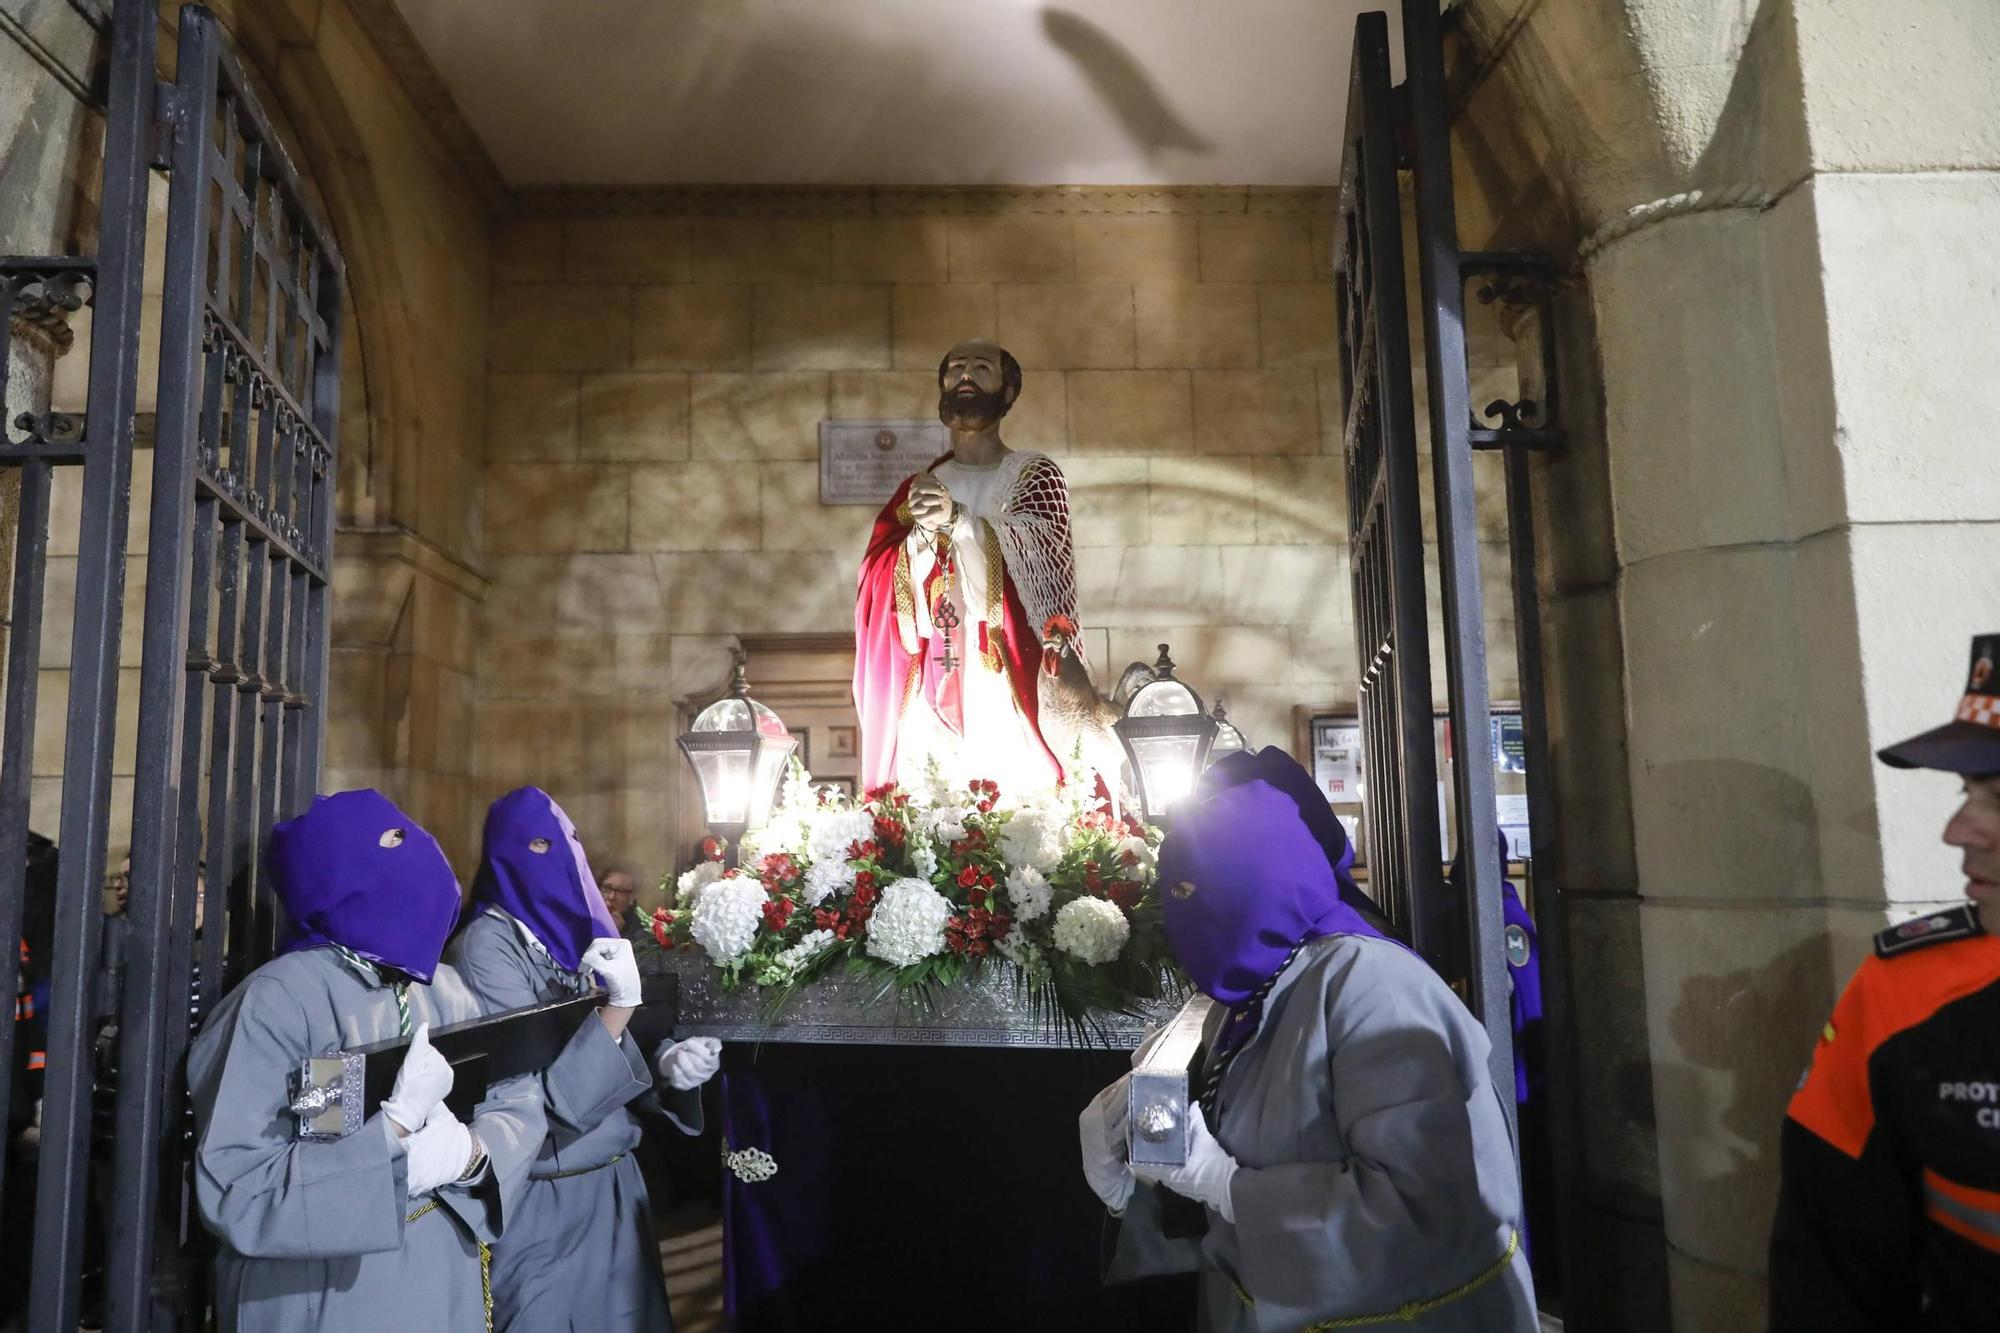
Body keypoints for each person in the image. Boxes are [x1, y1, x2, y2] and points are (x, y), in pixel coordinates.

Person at [1080, 750, 1536, 1331]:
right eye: (1178, 895)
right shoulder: (1249, 991)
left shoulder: (1374, 987)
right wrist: (1132, 1183)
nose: (1187, 922)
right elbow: (1226, 1180)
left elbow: (1429, 1215)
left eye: (1203, 892)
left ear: (1258, 886)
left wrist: (1228, 1186)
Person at [186, 790, 549, 1331]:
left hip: (444, 1280)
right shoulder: (279, 999)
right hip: (327, 1294)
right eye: (392, 840)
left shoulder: (447, 989)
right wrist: (389, 1141)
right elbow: (240, 1183)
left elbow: (515, 1094)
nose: (422, 853)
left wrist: (472, 1153)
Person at [1770, 632, 2000, 1329]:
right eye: (1969, 793)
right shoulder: (1900, 995)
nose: (1958, 829)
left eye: (1998, 797)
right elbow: (1828, 1275)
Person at [450, 787, 720, 1331]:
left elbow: (615, 1040)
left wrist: (666, 1067)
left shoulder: (570, 933)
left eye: (570, 840)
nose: (560, 856)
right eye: (541, 844)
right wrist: (621, 1005)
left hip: (614, 1182)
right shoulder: (488, 945)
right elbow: (543, 1093)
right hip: (546, 1193)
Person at [853, 338, 1098, 796]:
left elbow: (1042, 561)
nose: (965, 376)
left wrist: (959, 522)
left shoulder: (1035, 475)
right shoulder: (918, 486)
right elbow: (878, 576)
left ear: (1007, 393)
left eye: (982, 368)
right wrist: (921, 540)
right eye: (955, 369)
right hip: (937, 657)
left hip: (1003, 666)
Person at [595, 867, 648, 945]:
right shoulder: (586, 914)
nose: (611, 897)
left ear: (631, 898)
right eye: (607, 888)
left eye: (620, 891)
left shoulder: (639, 930)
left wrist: (619, 934)